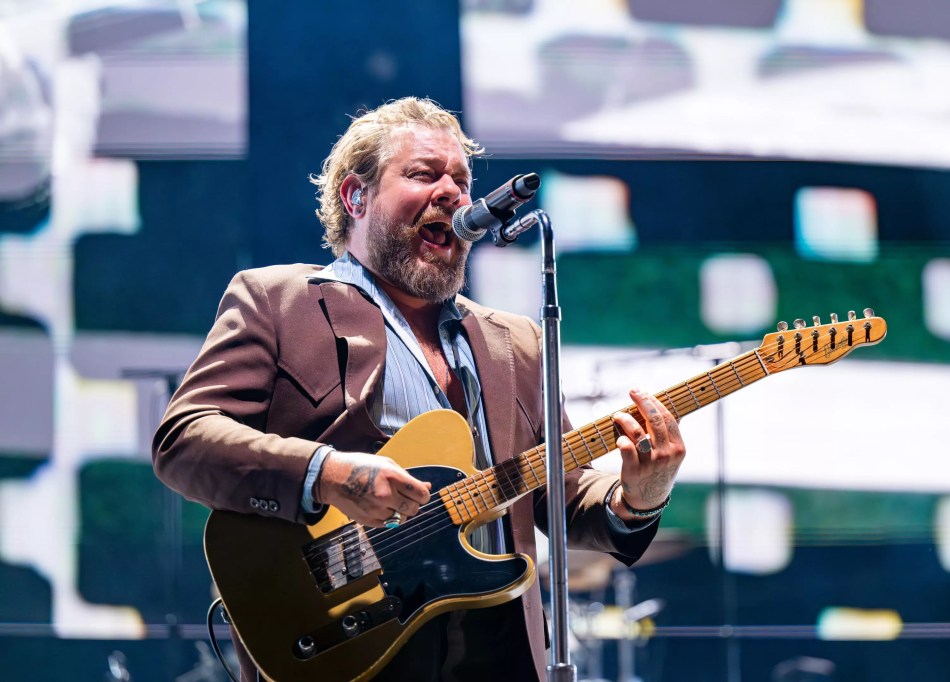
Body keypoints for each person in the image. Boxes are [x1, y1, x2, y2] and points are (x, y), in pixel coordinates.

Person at [152, 97, 686, 682]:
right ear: (356, 198)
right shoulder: (278, 301)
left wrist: (641, 495)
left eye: (461, 180)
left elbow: (558, 496)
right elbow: (185, 438)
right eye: (424, 174)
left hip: (499, 650)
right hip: (350, 640)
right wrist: (330, 474)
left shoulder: (521, 342)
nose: (454, 194)